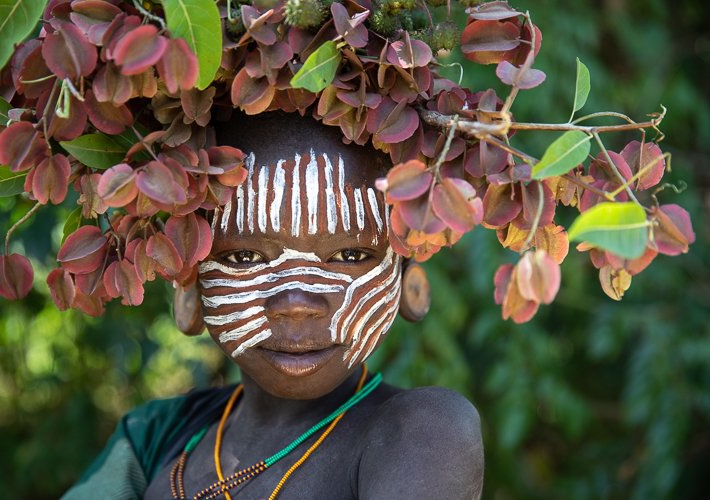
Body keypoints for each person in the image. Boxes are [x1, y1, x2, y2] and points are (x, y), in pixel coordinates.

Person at [63, 111, 484, 500]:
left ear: (409, 280)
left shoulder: (423, 432)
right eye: (244, 257)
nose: (297, 304)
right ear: (190, 282)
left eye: (350, 255)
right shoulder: (155, 436)